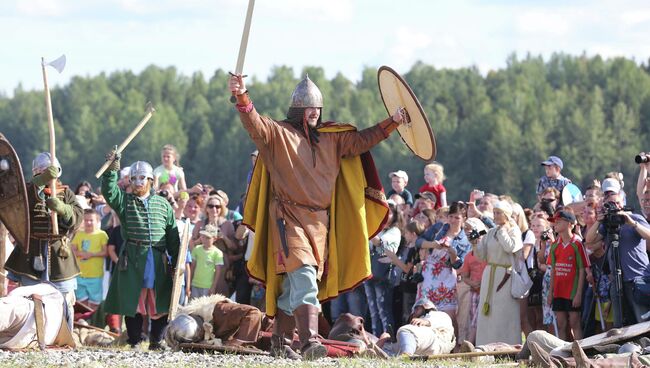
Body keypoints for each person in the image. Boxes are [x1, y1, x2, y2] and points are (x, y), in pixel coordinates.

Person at [230, 73, 406, 360]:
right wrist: (242, 96)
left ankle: (280, 341)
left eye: (318, 109)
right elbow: (254, 124)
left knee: (291, 285)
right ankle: (310, 341)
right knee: (305, 277)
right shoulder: (278, 135)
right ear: (297, 110)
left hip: (320, 223)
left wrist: (394, 121)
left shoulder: (331, 140)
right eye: (309, 108)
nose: (314, 113)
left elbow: (363, 140)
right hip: (289, 219)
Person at [100, 157, 180, 350]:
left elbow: (172, 236)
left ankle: (156, 341)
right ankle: (134, 341)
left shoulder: (163, 204)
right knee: (133, 300)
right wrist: (112, 168)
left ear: (151, 180)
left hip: (158, 258)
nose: (138, 182)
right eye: (134, 178)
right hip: (134, 257)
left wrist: (177, 261)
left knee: (158, 302)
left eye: (142, 178)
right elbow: (109, 191)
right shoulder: (124, 202)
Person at [5, 152, 84, 327]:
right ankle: (31, 334)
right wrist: (41, 181)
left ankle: (64, 335)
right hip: (31, 252)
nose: (46, 175)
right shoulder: (26, 191)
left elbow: (78, 217)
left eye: (48, 171)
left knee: (64, 297)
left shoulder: (67, 193)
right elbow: (20, 202)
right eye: (41, 172)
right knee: (29, 297)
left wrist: (64, 209)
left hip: (59, 253)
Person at [585, 189, 650, 327]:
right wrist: (598, 221)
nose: (614, 206)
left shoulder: (635, 218)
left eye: (617, 203)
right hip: (617, 281)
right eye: (610, 204)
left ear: (623, 203)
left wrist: (631, 223)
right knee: (622, 325)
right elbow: (589, 240)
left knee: (643, 323)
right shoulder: (607, 225)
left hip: (637, 279)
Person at [474, 200, 523, 345]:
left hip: (505, 275)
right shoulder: (491, 232)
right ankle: (485, 344)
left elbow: (511, 248)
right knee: (488, 312)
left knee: (503, 311)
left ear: (506, 215)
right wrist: (475, 243)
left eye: (498, 213)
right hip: (490, 274)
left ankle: (506, 345)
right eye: (494, 212)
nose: (494, 215)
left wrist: (502, 231)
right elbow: (481, 256)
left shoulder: (513, 230)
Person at [547, 210, 587, 341]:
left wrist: (579, 294)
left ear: (570, 224)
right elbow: (553, 270)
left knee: (575, 323)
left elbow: (582, 270)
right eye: (554, 222)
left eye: (559, 221)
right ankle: (563, 354)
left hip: (573, 292)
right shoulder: (554, 246)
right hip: (558, 292)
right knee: (561, 324)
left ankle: (580, 351)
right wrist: (550, 292)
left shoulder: (577, 244)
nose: (555, 224)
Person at [364, 202, 401, 337]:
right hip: (370, 273)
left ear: (395, 215)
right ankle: (376, 339)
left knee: (383, 311)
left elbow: (381, 245)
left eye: (389, 212)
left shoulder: (394, 231)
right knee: (373, 311)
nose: (386, 215)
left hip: (384, 275)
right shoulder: (376, 228)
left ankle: (388, 340)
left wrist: (367, 230)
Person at [458, 217, 488, 345]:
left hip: (487, 290)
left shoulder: (488, 251)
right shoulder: (469, 256)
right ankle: (472, 344)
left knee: (479, 319)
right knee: (474, 319)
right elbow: (464, 275)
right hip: (475, 291)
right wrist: (472, 283)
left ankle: (469, 343)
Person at [71, 209, 108, 310]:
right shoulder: (79, 234)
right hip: (80, 274)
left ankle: (92, 321)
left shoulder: (102, 235)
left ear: (97, 221)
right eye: (86, 220)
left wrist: (92, 254)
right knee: (81, 302)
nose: (88, 222)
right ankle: (84, 321)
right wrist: (81, 253)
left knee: (95, 302)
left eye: (91, 220)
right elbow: (72, 250)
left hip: (95, 275)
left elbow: (106, 252)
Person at [190, 224, 224, 299]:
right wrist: (189, 282)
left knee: (204, 308)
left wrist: (213, 287)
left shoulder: (217, 253)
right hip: (195, 284)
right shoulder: (197, 249)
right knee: (193, 307)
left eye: (208, 238)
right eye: (202, 236)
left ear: (214, 238)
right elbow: (193, 266)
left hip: (207, 286)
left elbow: (218, 271)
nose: (204, 239)